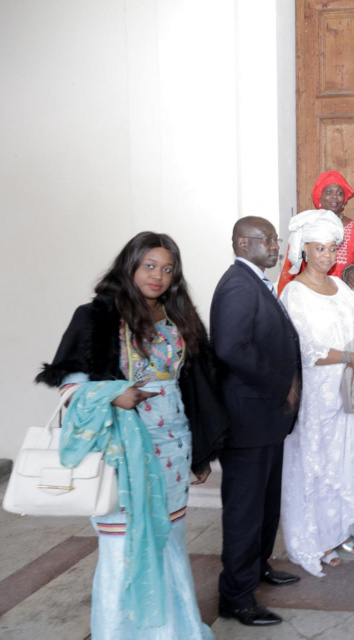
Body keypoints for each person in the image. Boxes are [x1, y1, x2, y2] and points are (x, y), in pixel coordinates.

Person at [36, 232, 226, 638]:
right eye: (150, 265)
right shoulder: (96, 316)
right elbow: (69, 386)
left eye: (167, 268)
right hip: (121, 450)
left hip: (172, 448)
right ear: (131, 265)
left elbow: (197, 388)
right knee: (122, 548)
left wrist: (201, 453)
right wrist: (113, 393)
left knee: (169, 543)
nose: (158, 275)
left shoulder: (180, 318)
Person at [211, 216, 302, 627]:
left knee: (266, 503)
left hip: (268, 418)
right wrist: (281, 384)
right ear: (242, 243)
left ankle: (258, 566)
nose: (275, 246)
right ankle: (236, 596)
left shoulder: (258, 282)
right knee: (245, 510)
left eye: (276, 239)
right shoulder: (237, 284)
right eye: (268, 240)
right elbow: (231, 347)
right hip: (249, 418)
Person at [279, 209, 354, 575]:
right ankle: (312, 539)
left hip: (346, 390)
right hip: (316, 395)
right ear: (304, 250)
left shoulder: (343, 287)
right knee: (314, 465)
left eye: (333, 249)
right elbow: (307, 349)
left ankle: (336, 531)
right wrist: (351, 355)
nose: (328, 256)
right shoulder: (294, 293)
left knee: (341, 463)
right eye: (320, 249)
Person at [278, 170, 354, 293]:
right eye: (329, 192)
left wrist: (353, 271)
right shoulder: (307, 227)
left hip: (348, 297)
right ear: (319, 199)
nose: (334, 196)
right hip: (310, 294)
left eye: (339, 193)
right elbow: (292, 267)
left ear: (344, 201)